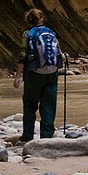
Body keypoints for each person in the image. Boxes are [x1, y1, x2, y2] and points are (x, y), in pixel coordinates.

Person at [14, 8, 63, 141]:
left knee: (30, 104)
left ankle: (28, 136)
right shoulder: (50, 32)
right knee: (48, 105)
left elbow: (23, 55)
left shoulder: (28, 34)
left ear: (29, 21)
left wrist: (18, 76)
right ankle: (46, 137)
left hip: (34, 73)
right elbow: (59, 53)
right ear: (41, 19)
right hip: (52, 73)